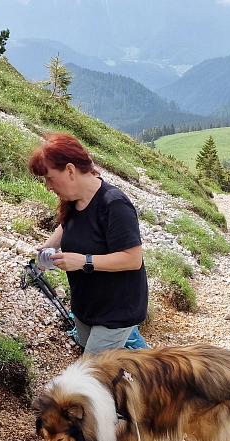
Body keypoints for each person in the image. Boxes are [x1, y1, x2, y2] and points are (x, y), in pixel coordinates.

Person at [29, 133, 148, 354]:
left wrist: (84, 261)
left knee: (91, 370)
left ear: (70, 170)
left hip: (115, 311)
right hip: (86, 307)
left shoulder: (114, 204)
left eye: (50, 178)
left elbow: (133, 259)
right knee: (97, 357)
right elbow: (67, 226)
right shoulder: (73, 200)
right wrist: (49, 246)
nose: (47, 186)